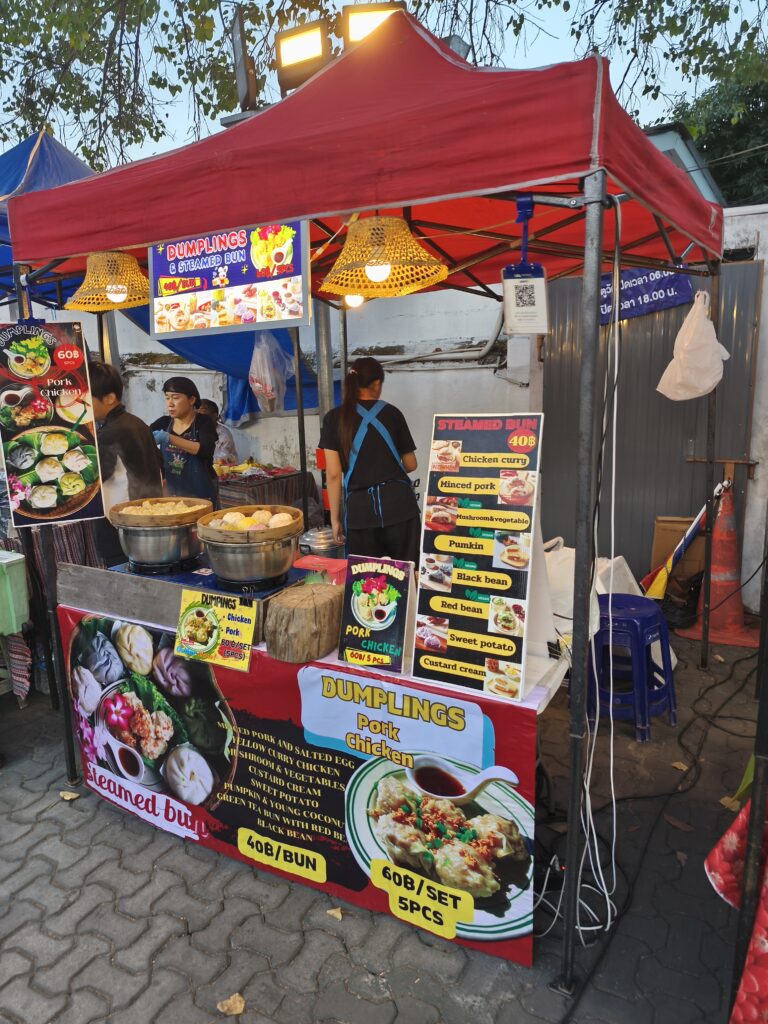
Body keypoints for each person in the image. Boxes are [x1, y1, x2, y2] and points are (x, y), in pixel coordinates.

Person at [320, 356, 420, 564]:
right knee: (407, 574)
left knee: (365, 577)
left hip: (360, 512)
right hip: (400, 507)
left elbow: (334, 474)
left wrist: (335, 519)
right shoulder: (393, 413)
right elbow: (411, 464)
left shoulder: (333, 419)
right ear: (376, 384)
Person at [90, 361, 163, 565]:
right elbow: (159, 464)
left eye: (86, 397)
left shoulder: (108, 433)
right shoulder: (138, 423)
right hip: (149, 519)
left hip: (120, 526)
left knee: (123, 573)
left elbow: (95, 478)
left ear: (109, 398)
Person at [150, 377, 218, 502]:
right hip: (173, 492)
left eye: (175, 398)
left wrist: (169, 437)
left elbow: (206, 450)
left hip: (202, 493)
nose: (170, 404)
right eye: (167, 398)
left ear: (191, 399)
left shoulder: (203, 422)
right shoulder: (163, 423)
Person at [198, 399, 238, 464]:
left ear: (214, 416)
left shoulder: (223, 435)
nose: (199, 418)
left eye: (203, 414)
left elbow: (221, 460)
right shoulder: (196, 431)